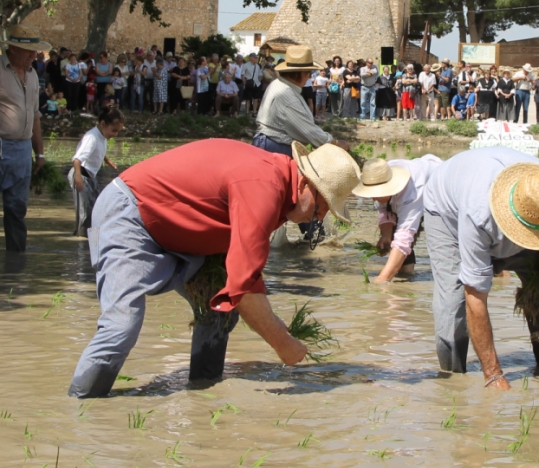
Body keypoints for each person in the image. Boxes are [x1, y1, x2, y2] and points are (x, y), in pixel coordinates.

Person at [68, 140, 362, 398]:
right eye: (322, 206)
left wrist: (274, 324)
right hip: (131, 213)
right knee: (122, 326)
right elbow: (244, 285)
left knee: (219, 311)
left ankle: (203, 390)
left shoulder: (279, 188)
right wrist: (283, 344)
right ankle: (81, 411)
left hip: (179, 230)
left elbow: (246, 272)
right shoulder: (264, 186)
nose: (320, 217)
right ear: (304, 184)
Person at [423, 147, 539, 389]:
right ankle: (453, 381)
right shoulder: (478, 212)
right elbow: (475, 294)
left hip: (505, 202)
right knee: (452, 304)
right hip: (446, 212)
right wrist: (493, 375)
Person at [0, 25, 50, 252]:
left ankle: (16, 265)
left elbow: (35, 115)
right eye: (28, 51)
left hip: (22, 150)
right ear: (12, 49)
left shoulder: (32, 75)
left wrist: (39, 152)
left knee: (17, 209)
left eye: (35, 51)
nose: (34, 55)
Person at [353, 156, 443, 282]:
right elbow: (384, 209)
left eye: (376, 194)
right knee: (395, 238)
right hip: (417, 181)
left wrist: (382, 279)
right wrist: (386, 235)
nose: (373, 199)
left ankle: (404, 275)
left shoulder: (413, 191)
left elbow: (404, 235)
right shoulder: (377, 174)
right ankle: (405, 276)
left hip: (439, 191)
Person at [253, 45, 350, 156]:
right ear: (299, 73)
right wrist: (336, 143)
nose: (309, 77)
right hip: (274, 147)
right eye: (308, 73)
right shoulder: (287, 96)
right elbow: (308, 131)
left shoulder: (279, 84)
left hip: (269, 142)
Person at [67, 107, 123, 237]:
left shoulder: (102, 135)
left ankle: (90, 237)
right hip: (81, 174)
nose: (115, 134)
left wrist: (108, 161)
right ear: (103, 124)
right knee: (85, 213)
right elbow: (76, 159)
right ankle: (81, 240)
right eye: (114, 130)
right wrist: (78, 177)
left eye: (118, 131)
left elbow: (98, 151)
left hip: (90, 176)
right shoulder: (91, 137)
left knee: (96, 208)